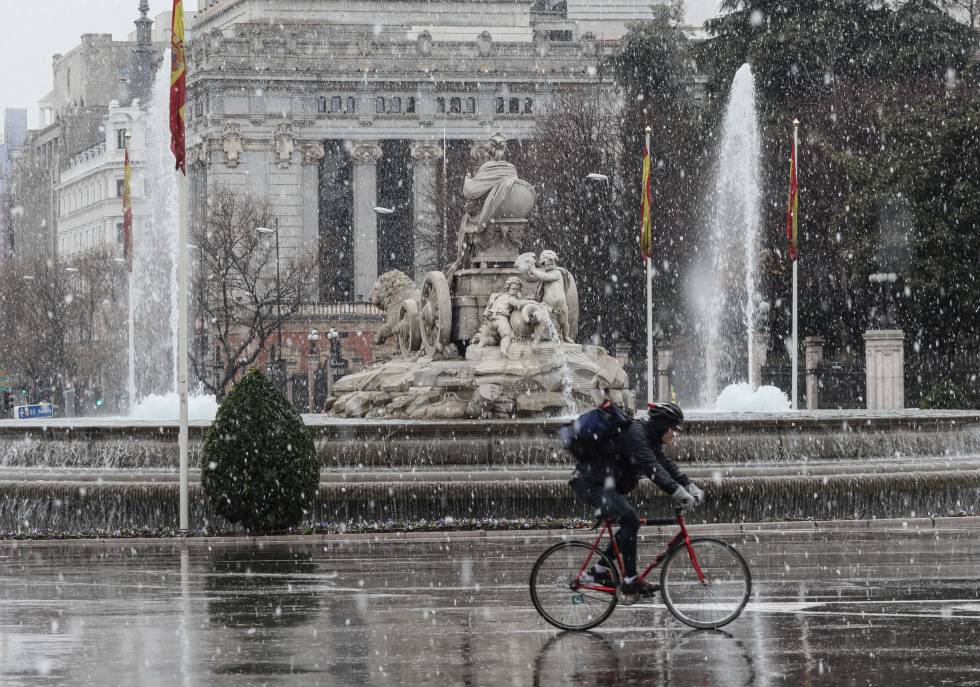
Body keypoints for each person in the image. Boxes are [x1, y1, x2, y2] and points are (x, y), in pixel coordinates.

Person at [568, 401, 705, 598]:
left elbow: (664, 464)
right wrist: (677, 491)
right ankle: (630, 580)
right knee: (630, 520)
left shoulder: (649, 436)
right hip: (590, 484)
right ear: (661, 425)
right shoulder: (636, 434)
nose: (675, 433)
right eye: (672, 428)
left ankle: (598, 571)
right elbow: (652, 468)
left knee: (628, 523)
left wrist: (689, 484)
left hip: (602, 483)